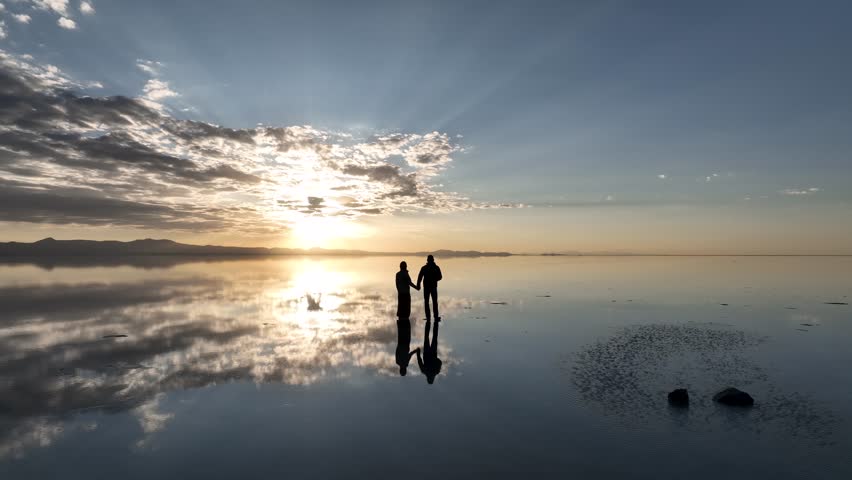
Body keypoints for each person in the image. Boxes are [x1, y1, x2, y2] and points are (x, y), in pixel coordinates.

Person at [416, 255, 442, 322]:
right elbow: (440, 277)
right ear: (433, 260)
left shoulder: (424, 268)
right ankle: (435, 317)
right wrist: (434, 279)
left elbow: (420, 277)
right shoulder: (436, 267)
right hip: (432, 287)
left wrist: (418, 285)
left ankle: (429, 317)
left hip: (428, 287)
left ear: (427, 260)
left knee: (427, 302)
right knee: (434, 302)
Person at [416, 319, 442, 384]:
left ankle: (435, 322)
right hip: (427, 353)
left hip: (432, 352)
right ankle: (428, 322)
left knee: (434, 337)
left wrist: (435, 359)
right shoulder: (424, 371)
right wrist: (418, 353)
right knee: (427, 337)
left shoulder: (436, 371)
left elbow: (440, 362)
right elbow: (419, 360)